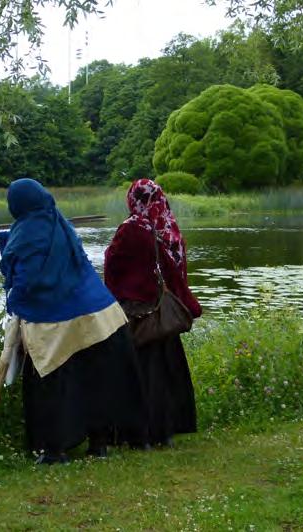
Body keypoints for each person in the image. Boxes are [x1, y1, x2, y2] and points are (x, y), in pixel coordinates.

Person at [0, 178, 147, 464]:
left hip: (55, 321)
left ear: (16, 204)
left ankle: (55, 450)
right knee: (94, 381)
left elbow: (27, 277)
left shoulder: (28, 234)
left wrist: (14, 303)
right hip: (100, 317)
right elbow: (37, 241)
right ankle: (99, 444)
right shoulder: (59, 223)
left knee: (52, 384)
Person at [104, 178, 201, 448]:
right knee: (165, 373)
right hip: (162, 315)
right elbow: (177, 275)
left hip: (136, 314)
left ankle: (138, 436)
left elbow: (113, 269)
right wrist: (189, 305)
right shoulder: (169, 227)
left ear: (134, 199)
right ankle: (165, 433)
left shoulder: (131, 229)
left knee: (138, 374)